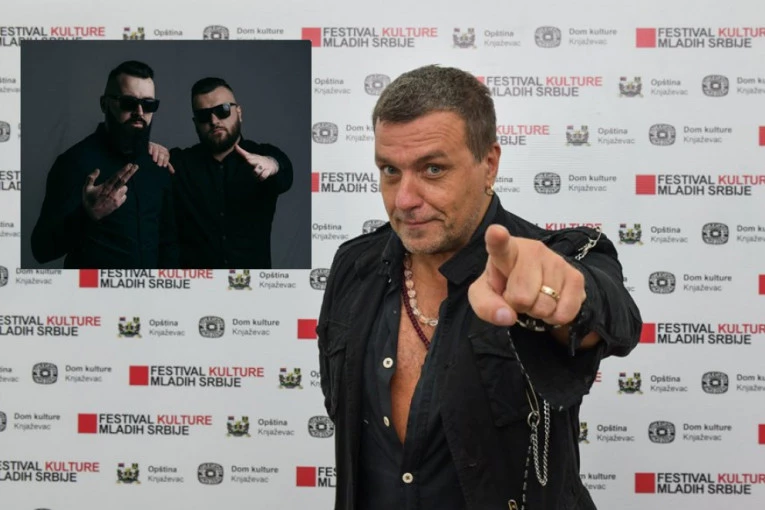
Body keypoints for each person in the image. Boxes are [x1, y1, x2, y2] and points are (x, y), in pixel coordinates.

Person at [316, 65, 642, 510]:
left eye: (433, 169)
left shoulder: (551, 256)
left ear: (489, 164)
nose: (404, 199)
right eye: (390, 170)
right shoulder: (354, 266)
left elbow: (612, 316)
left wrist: (560, 297)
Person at [30, 60, 178, 268]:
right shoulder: (74, 162)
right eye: (128, 102)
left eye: (148, 104)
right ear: (104, 104)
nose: (139, 112)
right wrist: (87, 215)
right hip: (92, 288)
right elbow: (41, 249)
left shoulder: (157, 163)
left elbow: (168, 242)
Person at [165, 77, 293, 269]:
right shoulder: (179, 164)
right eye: (204, 115)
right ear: (195, 122)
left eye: (222, 110)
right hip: (196, 285)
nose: (214, 121)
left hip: (253, 284)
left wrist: (271, 164)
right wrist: (151, 148)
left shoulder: (262, 155)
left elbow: (284, 173)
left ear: (239, 113)